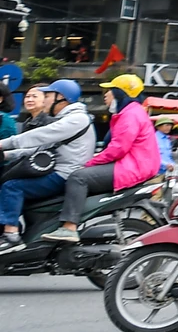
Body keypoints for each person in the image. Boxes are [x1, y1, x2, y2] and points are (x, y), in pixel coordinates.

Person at [38, 74, 160, 245]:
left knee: (78, 177)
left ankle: (69, 227)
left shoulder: (130, 114)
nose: (105, 94)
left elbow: (118, 148)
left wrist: (89, 163)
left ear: (119, 93)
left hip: (132, 167)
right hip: (134, 165)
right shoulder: (130, 112)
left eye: (109, 90)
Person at [0, 80, 95, 251]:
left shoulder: (76, 119)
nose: (45, 100)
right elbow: (37, 149)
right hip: (57, 171)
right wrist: (6, 154)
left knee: (12, 187)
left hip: (63, 174)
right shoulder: (67, 118)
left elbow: (39, 136)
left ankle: (11, 236)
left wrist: (3, 144)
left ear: (62, 98)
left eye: (48, 95)